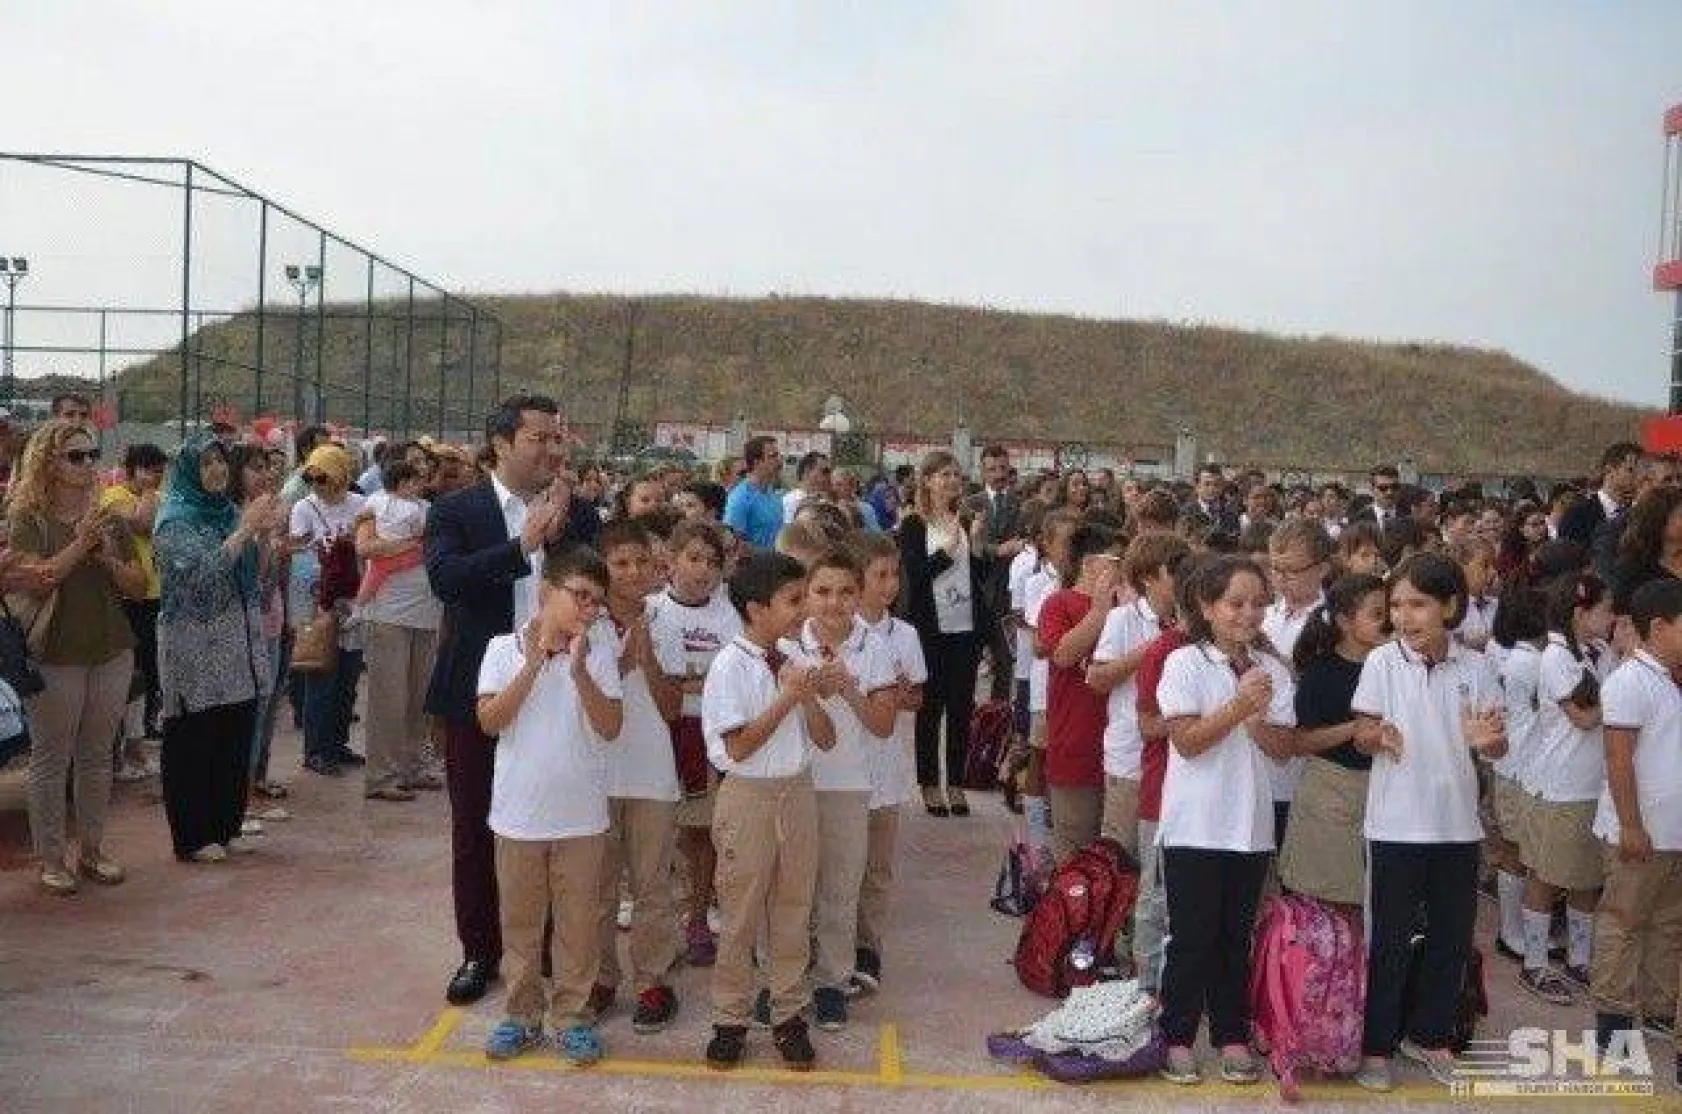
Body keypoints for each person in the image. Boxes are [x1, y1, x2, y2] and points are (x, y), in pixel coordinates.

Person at [425, 394, 600, 1007]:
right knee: (474, 825)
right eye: (540, 438)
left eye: (558, 439)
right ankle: (480, 950)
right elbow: (446, 579)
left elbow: (591, 586)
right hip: (484, 687)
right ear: (500, 443)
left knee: (552, 825)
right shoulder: (455, 509)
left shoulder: (577, 514)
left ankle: (547, 949)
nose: (553, 449)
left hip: (560, 695)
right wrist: (521, 544)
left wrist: (561, 535)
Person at [1352, 553, 1507, 1092]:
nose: (1404, 616)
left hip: (1459, 830)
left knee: (1450, 940)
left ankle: (1431, 1036)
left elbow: (1496, 742)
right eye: (1396, 605)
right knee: (1388, 941)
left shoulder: (1478, 666)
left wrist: (1492, 743)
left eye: (1417, 604)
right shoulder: (1381, 663)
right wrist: (1376, 737)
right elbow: (1362, 731)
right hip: (1393, 828)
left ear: (1449, 606)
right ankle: (1376, 1046)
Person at [475, 547, 622, 1065]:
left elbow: (610, 726)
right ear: (545, 592)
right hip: (519, 815)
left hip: (581, 816)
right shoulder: (501, 649)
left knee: (578, 924)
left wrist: (579, 672)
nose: (589, 609)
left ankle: (573, 1017)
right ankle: (520, 1014)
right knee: (520, 922)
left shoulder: (599, 652)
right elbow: (490, 722)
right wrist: (532, 667)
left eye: (597, 602)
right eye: (580, 596)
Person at [1155, 555, 1297, 1086]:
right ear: (1207, 607)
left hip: (1251, 825)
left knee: (1236, 936)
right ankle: (1177, 1035)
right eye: (1235, 603)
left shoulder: (1273, 670)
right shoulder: (1185, 663)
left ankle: (1232, 1035)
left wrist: (1257, 717)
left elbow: (1283, 749)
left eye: (1258, 603)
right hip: (1194, 824)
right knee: (1191, 936)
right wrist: (1239, 707)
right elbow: (1187, 742)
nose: (1248, 614)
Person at [700, 551, 836, 1071]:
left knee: (793, 910)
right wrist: (786, 698)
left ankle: (788, 1015)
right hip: (749, 796)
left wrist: (809, 696)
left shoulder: (792, 658)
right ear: (756, 609)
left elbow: (824, 739)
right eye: (793, 600)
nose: (804, 610)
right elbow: (736, 749)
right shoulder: (728, 666)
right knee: (739, 914)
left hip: (796, 792)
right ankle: (730, 1019)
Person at [9, 420, 148, 894]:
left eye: (92, 455)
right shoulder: (27, 515)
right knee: (51, 756)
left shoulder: (109, 517)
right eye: (76, 456)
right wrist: (80, 543)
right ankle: (51, 858)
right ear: (49, 460)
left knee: (96, 754)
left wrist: (105, 555)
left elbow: (138, 585)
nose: (88, 464)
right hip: (54, 651)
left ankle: (92, 848)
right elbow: (38, 578)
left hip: (111, 647)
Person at [780, 547, 896, 1032]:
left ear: (860, 593)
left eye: (846, 591)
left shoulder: (876, 646)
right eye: (822, 592)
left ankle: (831, 982)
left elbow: (884, 724)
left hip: (848, 783)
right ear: (805, 596)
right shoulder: (785, 645)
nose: (833, 603)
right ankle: (781, 981)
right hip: (792, 780)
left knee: (839, 889)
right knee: (788, 888)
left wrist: (849, 688)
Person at [153, 436, 279, 863]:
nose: (216, 470)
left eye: (220, 462)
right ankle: (192, 836)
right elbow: (199, 579)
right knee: (195, 738)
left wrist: (262, 536)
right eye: (206, 464)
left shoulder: (227, 511)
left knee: (233, 734)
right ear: (189, 470)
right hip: (194, 646)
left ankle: (227, 826)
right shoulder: (174, 520)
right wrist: (245, 530)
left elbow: (256, 580)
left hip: (237, 643)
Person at [593, 519, 685, 1035]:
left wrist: (645, 655)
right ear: (603, 569)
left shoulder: (665, 621)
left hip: (651, 773)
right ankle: (602, 978)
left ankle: (653, 979)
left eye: (641, 563)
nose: (632, 573)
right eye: (620, 563)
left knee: (652, 885)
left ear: (655, 567)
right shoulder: (584, 619)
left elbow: (671, 708)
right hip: (598, 773)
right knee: (599, 886)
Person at [1590, 578, 1682, 1052]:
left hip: (1674, 831)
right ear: (1659, 627)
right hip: (1639, 829)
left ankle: (1657, 1008)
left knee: (1667, 924)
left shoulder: (1672, 678)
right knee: (1624, 920)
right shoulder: (1629, 681)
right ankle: (1614, 1017)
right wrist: (1629, 824)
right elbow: (1619, 759)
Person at [1516, 571, 1612, 1005]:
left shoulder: (1598, 651)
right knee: (1547, 875)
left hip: (1591, 785)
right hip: (1559, 786)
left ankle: (1579, 957)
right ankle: (1534, 961)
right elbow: (1585, 717)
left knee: (1586, 878)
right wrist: (1623, 692)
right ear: (1579, 613)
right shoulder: (1557, 658)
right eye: (1605, 610)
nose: (1611, 619)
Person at [646, 520, 739, 968]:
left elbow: (724, 683)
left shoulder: (729, 616)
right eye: (694, 558)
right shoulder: (651, 611)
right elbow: (655, 682)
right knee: (658, 836)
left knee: (702, 835)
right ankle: (661, 918)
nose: (703, 570)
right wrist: (681, 683)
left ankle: (698, 916)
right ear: (670, 560)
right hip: (657, 736)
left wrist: (686, 683)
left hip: (706, 737)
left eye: (713, 562)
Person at [1276, 574, 1387, 906]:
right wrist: (1356, 727)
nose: (1389, 623)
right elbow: (1300, 742)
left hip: (1382, 787)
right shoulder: (1322, 672)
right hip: (1332, 791)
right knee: (1329, 894)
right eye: (1377, 614)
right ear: (1344, 620)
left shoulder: (1391, 666)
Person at [897, 450, 991, 818]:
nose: (952, 480)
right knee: (931, 707)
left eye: (956, 474)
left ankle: (955, 781)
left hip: (965, 626)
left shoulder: (963, 519)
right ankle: (929, 783)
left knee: (961, 708)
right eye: (944, 474)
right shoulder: (914, 524)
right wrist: (947, 553)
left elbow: (979, 574)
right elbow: (917, 577)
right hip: (931, 628)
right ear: (927, 480)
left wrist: (978, 546)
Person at [851, 531, 925, 996]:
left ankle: (867, 949)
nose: (888, 584)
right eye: (878, 575)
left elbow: (915, 696)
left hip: (886, 767)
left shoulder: (906, 634)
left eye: (893, 574)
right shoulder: (834, 632)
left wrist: (897, 695)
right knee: (839, 867)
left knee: (876, 869)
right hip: (841, 767)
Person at [1089, 533, 1191, 861]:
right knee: (1120, 860)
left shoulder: (1193, 623)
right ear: (1149, 577)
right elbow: (1098, 679)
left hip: (1174, 762)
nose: (1185, 578)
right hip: (1130, 758)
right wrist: (1151, 650)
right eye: (1175, 570)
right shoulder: (1124, 619)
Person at [356, 454, 443, 802]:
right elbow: (366, 546)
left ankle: (412, 767)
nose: (418, 477)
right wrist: (411, 545)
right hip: (388, 613)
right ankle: (381, 775)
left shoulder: (429, 507)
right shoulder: (374, 504)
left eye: (422, 470)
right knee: (389, 697)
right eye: (412, 470)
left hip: (425, 611)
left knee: (419, 695)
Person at [1038, 521, 1125, 862]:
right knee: (1074, 860)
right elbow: (1062, 654)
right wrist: (1099, 612)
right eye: (1116, 561)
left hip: (1120, 752)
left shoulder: (1127, 609)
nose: (1123, 568)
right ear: (1090, 564)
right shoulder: (1059, 604)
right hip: (1076, 746)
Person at [287, 443, 367, 776]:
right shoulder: (304, 508)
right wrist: (318, 548)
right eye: (313, 478)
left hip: (354, 598)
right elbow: (296, 554)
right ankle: (316, 750)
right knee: (321, 675)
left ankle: (338, 743)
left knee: (348, 677)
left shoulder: (361, 505)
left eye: (326, 477)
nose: (319, 485)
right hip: (318, 600)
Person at [1488, 580, 1549, 965]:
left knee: (1516, 849)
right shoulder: (1533, 662)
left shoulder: (1514, 658)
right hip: (1521, 769)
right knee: (1517, 852)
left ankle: (1515, 929)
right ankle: (1512, 932)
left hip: (1511, 767)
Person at [1261, 519, 1333, 842]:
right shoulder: (1264, 614)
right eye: (1274, 569)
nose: (1280, 579)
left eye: (1291, 570)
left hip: (1304, 773)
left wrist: (1277, 662)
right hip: (1257, 771)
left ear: (1322, 569)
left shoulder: (1333, 622)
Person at [102, 442, 167, 777]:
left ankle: (135, 745)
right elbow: (141, 524)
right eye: (150, 470)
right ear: (132, 469)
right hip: (127, 599)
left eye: (159, 471)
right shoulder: (114, 497)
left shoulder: (157, 496)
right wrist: (147, 492)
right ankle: (124, 751)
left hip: (155, 595)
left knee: (146, 676)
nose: (156, 478)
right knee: (130, 675)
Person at [968, 444, 1024, 702]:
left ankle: (998, 722)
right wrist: (998, 549)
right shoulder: (970, 505)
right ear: (982, 471)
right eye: (992, 469)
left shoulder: (1020, 503)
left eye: (1002, 468)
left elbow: (1026, 539)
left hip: (1008, 594)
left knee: (1004, 662)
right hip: (977, 591)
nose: (998, 474)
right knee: (968, 661)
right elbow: (970, 547)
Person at [1558, 442, 1643, 579]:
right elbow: (1567, 561)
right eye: (1631, 470)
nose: (1638, 478)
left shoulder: (1639, 514)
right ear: (1609, 470)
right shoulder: (1577, 514)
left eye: (1642, 473)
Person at [721, 436, 784, 550]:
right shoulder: (740, 498)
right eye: (773, 456)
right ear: (757, 462)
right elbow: (734, 542)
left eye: (778, 455)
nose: (779, 460)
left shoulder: (772, 493)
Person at [781, 452, 833, 524]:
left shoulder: (823, 500)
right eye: (824, 471)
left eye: (829, 472)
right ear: (807, 471)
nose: (828, 476)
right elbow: (788, 532)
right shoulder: (792, 501)